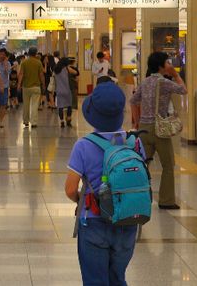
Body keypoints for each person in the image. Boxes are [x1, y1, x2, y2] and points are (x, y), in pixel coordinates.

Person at [66, 81, 139, 286]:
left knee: (95, 281)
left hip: (94, 221)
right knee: (118, 278)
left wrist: (82, 200)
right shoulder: (134, 142)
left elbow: (70, 189)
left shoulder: (83, 145)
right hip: (128, 220)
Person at [130, 52, 187, 210]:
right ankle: (166, 200)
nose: (169, 65)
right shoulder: (164, 82)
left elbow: (133, 100)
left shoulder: (145, 81)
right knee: (168, 165)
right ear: (162, 66)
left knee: (143, 164)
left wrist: (136, 121)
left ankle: (138, 197)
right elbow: (184, 90)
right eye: (167, 63)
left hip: (143, 128)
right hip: (159, 129)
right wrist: (175, 74)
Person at [18, 47, 45, 128]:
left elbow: (21, 74)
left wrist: (19, 84)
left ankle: (26, 121)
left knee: (26, 105)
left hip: (26, 87)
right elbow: (41, 75)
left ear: (29, 53)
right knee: (34, 105)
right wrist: (43, 84)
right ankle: (33, 122)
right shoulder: (38, 62)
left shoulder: (24, 62)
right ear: (35, 53)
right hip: (36, 87)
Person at [55, 57, 79, 127]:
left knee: (60, 107)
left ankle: (62, 121)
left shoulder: (55, 69)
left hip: (59, 90)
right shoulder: (67, 68)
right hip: (67, 90)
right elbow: (76, 72)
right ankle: (68, 119)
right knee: (69, 105)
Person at [0, 48, 12, 128]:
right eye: (1, 54)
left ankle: (0, 121)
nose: (2, 55)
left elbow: (8, 73)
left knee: (3, 105)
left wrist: (5, 64)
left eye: (4, 54)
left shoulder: (8, 63)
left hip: (5, 86)